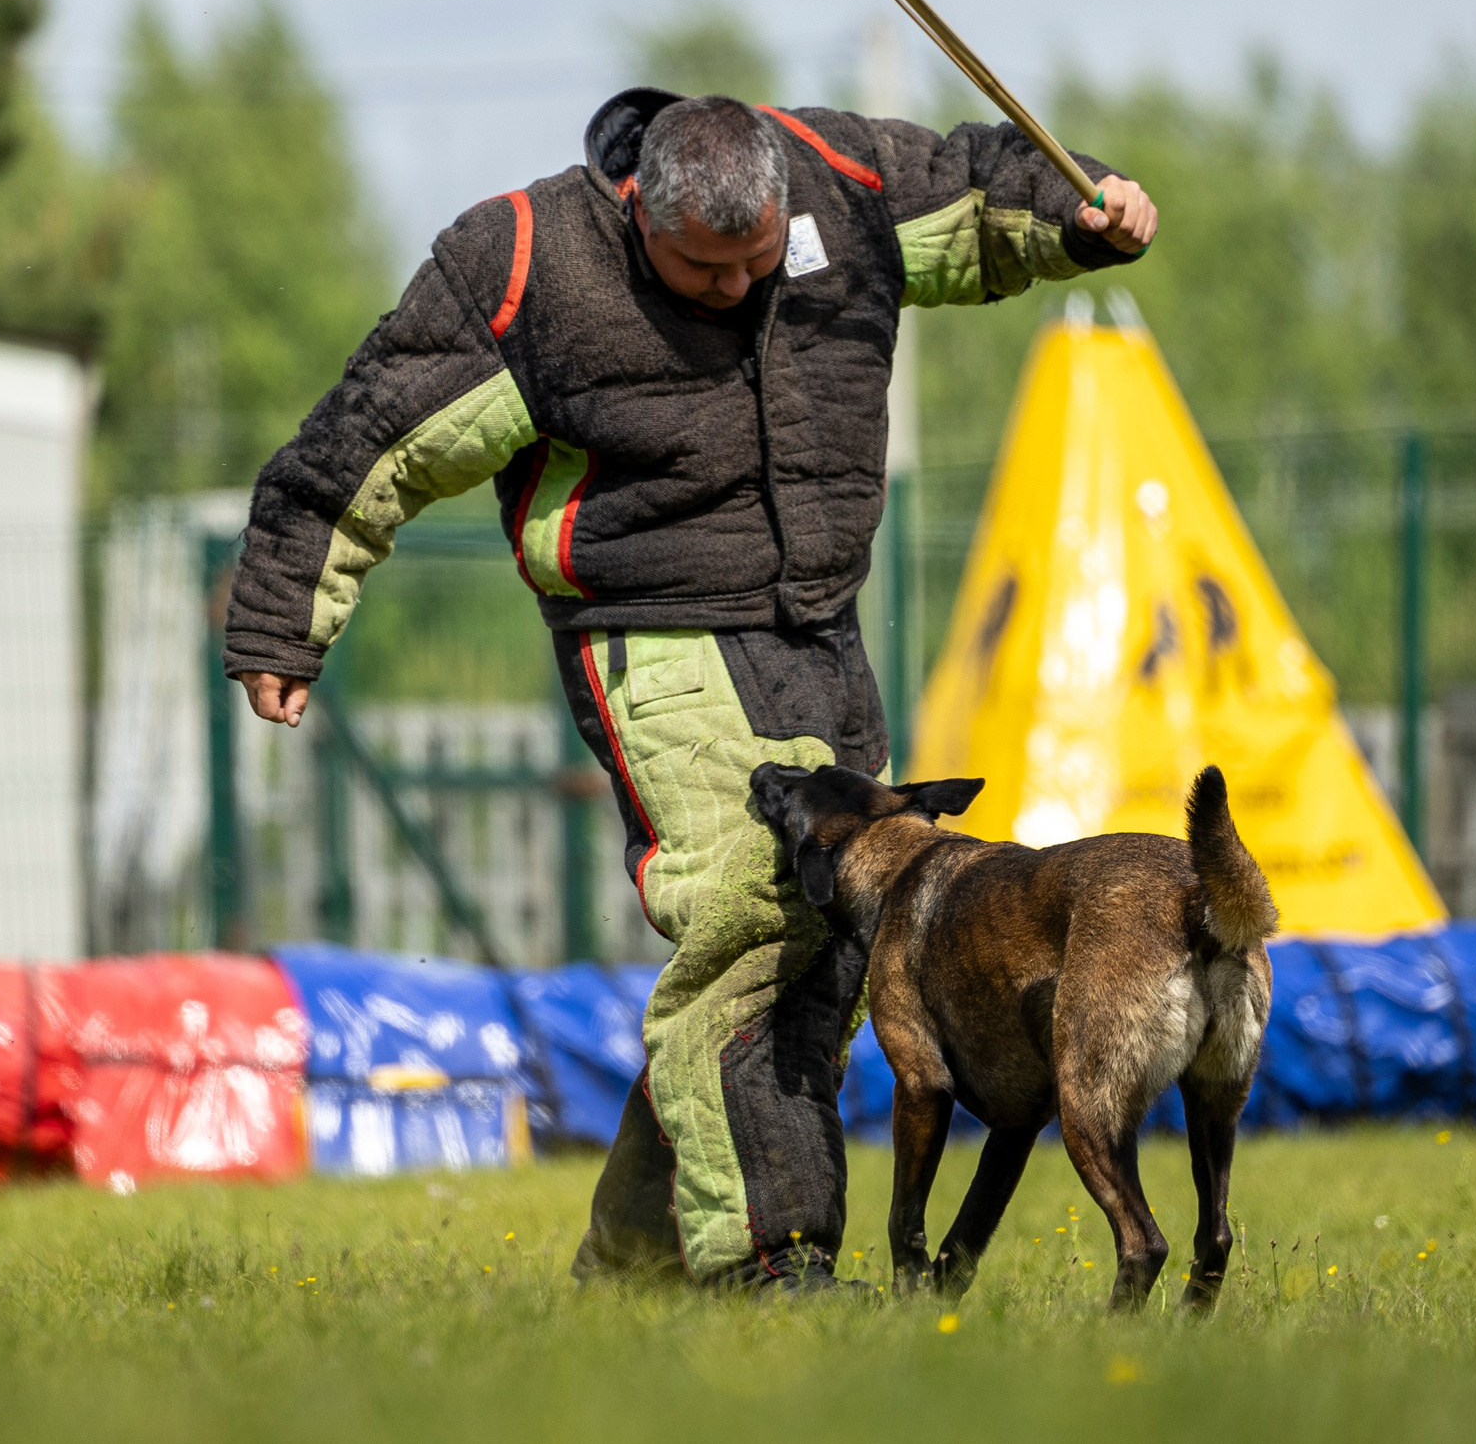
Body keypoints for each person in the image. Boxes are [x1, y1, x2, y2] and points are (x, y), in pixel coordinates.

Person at [224, 87, 1156, 1289]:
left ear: (782, 207)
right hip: (650, 632)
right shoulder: (524, 264)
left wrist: (1082, 212)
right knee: (750, 921)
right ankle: (771, 1267)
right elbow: (371, 439)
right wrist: (284, 620)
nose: (735, 290)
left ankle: (630, 1270)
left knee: (828, 953)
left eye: (756, 261)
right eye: (703, 271)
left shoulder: (841, 176)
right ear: (637, 210)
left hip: (820, 630)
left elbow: (982, 195)